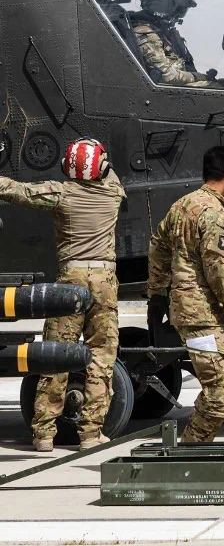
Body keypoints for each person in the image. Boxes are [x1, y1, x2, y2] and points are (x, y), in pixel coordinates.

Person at [0, 138, 126, 451]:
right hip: (104, 281)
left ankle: (43, 434)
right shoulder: (113, 192)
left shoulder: (61, 193)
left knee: (57, 356)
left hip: (69, 283)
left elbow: (20, 191)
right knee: (100, 357)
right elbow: (108, 171)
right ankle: (90, 434)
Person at [146, 146, 224, 443]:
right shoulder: (216, 216)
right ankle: (188, 449)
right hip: (200, 316)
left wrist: (157, 294)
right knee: (221, 391)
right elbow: (218, 275)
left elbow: (157, 246)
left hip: (204, 313)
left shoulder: (181, 206)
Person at [131, 0, 224, 89]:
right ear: (165, 6)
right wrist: (201, 77)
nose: (179, 16)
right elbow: (167, 76)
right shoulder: (145, 33)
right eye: (179, 10)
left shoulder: (162, 33)